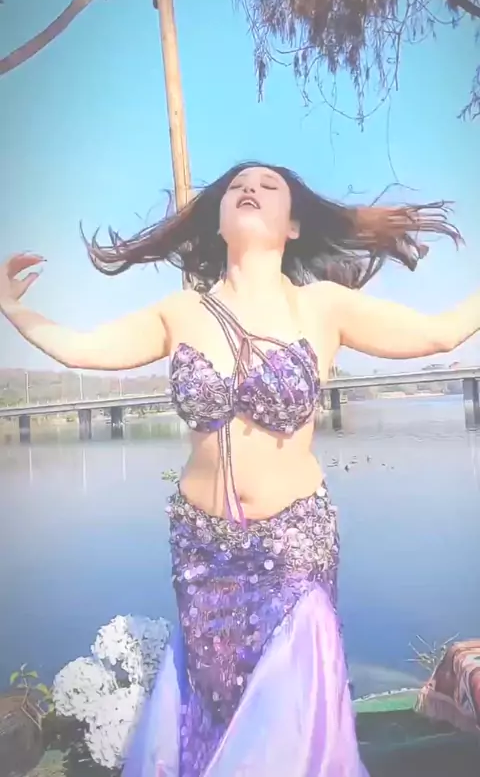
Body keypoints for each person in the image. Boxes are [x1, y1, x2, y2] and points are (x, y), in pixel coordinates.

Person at [1, 162, 478, 777]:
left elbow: (439, 335)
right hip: (203, 554)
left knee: (290, 715)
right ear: (219, 221)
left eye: (269, 186)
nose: (250, 189)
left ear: (294, 225)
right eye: (236, 187)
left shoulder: (322, 307)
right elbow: (82, 349)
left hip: (294, 547)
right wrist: (11, 309)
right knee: (216, 702)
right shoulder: (181, 313)